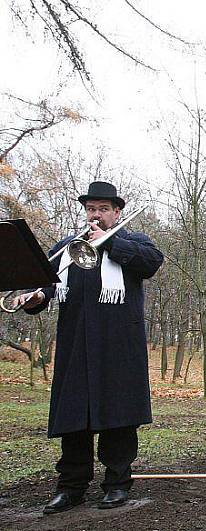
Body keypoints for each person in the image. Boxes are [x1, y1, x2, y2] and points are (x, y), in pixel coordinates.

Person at [12, 181, 163, 513]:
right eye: (91, 209)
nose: (96, 215)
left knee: (118, 419)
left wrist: (108, 244)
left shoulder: (132, 242)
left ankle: (117, 484)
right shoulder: (68, 247)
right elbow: (45, 285)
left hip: (118, 348)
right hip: (76, 347)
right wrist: (36, 296)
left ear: (116, 212)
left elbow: (152, 262)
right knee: (74, 419)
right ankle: (71, 488)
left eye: (104, 209)